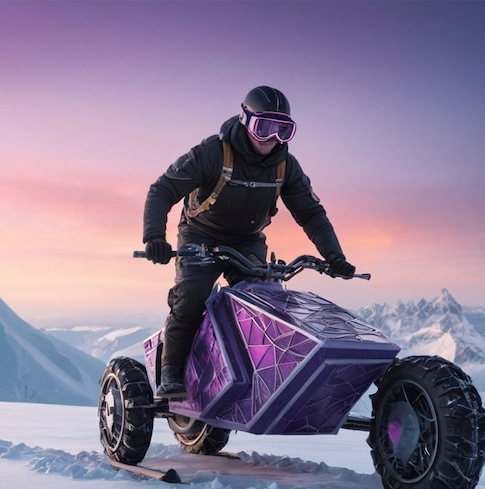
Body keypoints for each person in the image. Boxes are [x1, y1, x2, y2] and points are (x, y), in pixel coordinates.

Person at [143, 86, 355, 398]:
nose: (272, 138)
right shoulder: (212, 153)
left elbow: (311, 213)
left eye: (283, 130)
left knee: (265, 301)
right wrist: (154, 238)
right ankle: (172, 369)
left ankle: (260, 372)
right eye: (264, 126)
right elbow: (162, 190)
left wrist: (334, 255)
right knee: (192, 294)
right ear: (246, 120)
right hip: (200, 234)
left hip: (247, 241)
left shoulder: (286, 166)